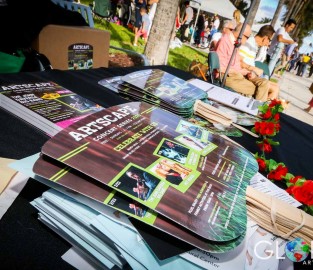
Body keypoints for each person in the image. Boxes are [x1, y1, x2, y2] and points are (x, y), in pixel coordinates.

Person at [216, 23, 269, 101]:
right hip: (228, 77)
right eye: (247, 37)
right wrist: (239, 72)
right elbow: (219, 68)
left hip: (237, 76)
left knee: (264, 82)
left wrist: (248, 72)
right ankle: (257, 110)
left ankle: (258, 109)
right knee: (257, 89)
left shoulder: (234, 43)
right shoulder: (225, 41)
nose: (248, 40)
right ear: (241, 34)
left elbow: (237, 64)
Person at [239, 25, 279, 100]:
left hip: (251, 74)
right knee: (274, 89)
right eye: (269, 40)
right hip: (246, 75)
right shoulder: (248, 44)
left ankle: (263, 106)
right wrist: (253, 69)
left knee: (276, 86)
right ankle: (260, 108)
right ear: (265, 38)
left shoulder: (253, 44)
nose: (268, 43)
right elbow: (239, 62)